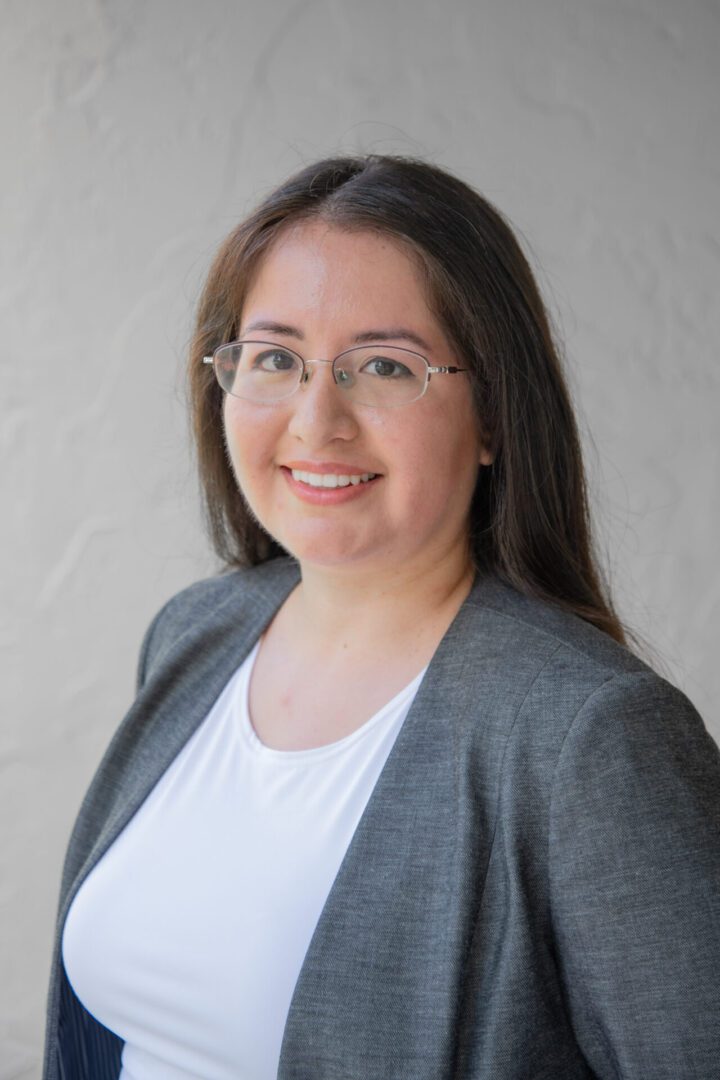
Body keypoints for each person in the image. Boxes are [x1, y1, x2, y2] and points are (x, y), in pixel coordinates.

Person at [43, 155, 720, 1080]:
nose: (318, 422)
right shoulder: (193, 634)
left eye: (384, 367)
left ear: (493, 418)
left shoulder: (591, 738)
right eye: (276, 358)